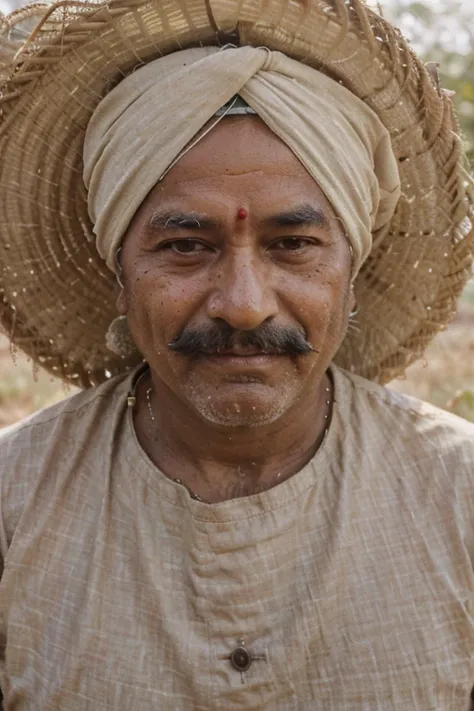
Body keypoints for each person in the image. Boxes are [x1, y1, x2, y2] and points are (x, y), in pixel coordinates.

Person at [0, 0, 473, 708]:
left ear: (351, 278)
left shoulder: (460, 498)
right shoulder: (15, 504)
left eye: (294, 245)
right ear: (120, 278)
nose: (244, 302)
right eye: (186, 246)